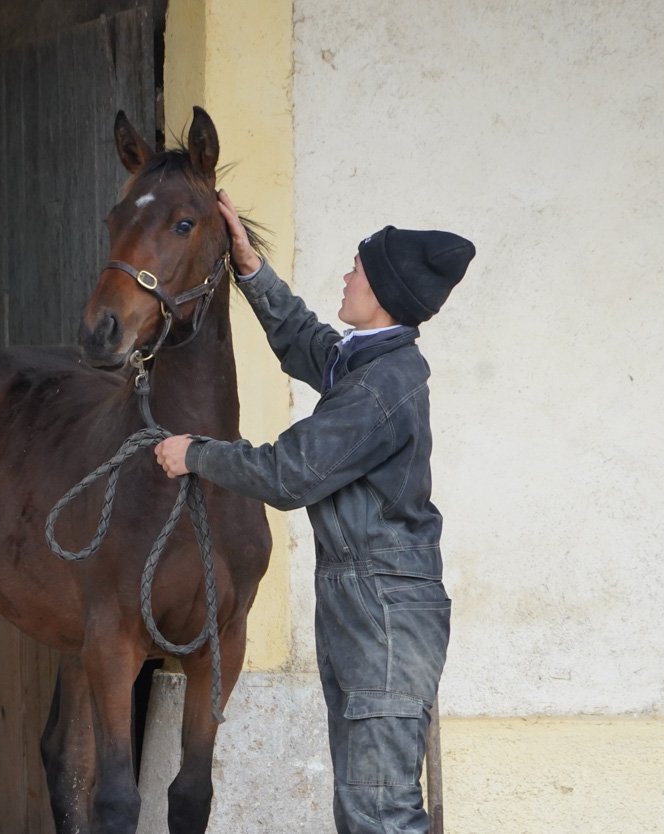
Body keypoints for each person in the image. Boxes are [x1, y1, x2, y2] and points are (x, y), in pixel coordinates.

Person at [154, 190, 475, 834]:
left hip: (381, 609)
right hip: (369, 602)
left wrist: (196, 454)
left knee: (379, 812)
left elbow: (290, 473)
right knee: (364, 804)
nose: (346, 277)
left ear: (382, 291)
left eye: (356, 269)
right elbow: (306, 343)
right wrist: (250, 267)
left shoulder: (380, 387)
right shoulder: (370, 362)